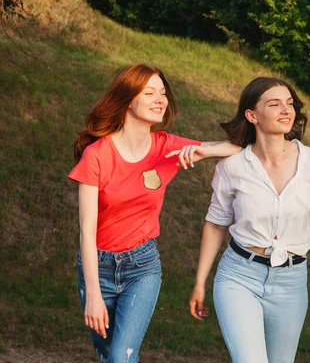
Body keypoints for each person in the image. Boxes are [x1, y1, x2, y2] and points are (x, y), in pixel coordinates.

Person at [68, 63, 240, 363]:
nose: (160, 99)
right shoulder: (97, 154)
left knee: (122, 357)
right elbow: (87, 229)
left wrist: (203, 151)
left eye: (163, 93)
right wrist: (93, 294)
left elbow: (237, 149)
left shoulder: (167, 147)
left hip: (142, 265)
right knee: (108, 355)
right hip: (98, 266)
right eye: (149, 93)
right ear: (127, 99)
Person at [188, 77, 310, 363]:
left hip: (291, 282)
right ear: (252, 115)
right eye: (274, 104)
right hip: (239, 277)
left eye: (290, 104)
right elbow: (217, 223)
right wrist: (199, 283)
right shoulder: (231, 167)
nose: (286, 110)